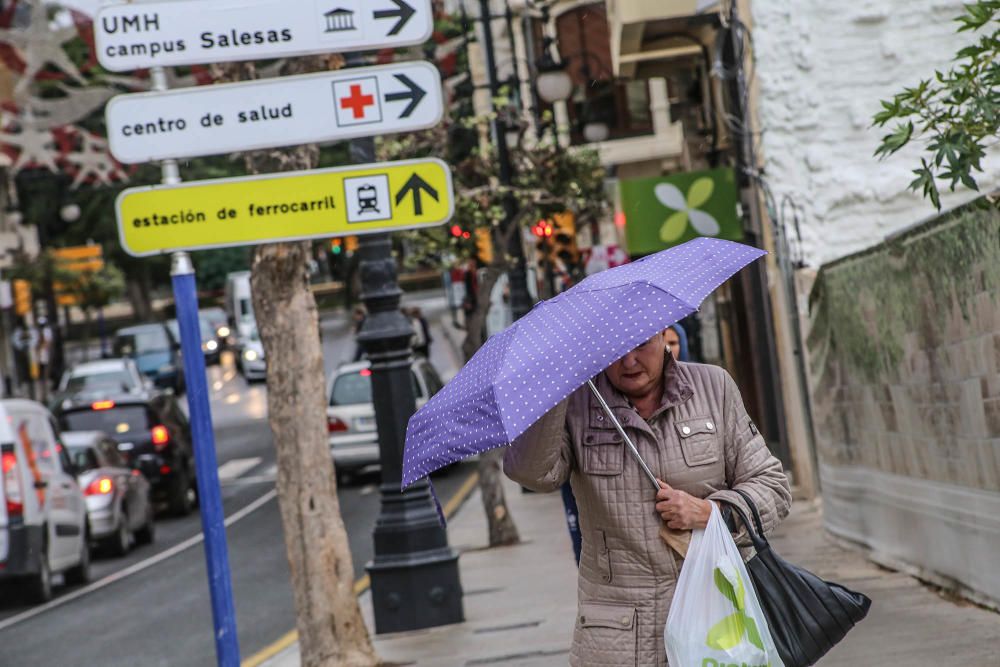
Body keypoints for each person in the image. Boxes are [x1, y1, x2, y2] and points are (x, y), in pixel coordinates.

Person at [504, 328, 791, 666]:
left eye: (640, 344)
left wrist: (712, 512)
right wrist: (554, 391)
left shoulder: (714, 387)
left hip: (718, 623)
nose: (628, 361)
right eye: (614, 347)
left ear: (663, 336)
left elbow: (772, 485)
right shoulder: (576, 402)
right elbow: (532, 473)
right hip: (618, 640)